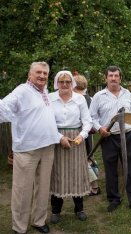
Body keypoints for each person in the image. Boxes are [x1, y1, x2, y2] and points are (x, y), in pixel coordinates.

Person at [0, 62, 68, 234]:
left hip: (47, 147)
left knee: (43, 187)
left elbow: (46, 118)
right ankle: (19, 227)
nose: (42, 76)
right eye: (38, 72)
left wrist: (58, 137)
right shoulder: (22, 91)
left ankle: (38, 221)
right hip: (27, 150)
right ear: (30, 74)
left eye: (45, 73)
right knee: (22, 191)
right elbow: (4, 107)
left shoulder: (44, 91)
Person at [89, 65, 131, 214]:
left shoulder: (127, 94)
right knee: (111, 170)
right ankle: (114, 199)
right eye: (111, 76)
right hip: (109, 137)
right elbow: (92, 117)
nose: (113, 78)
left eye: (116, 76)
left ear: (120, 78)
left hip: (128, 136)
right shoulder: (98, 96)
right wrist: (100, 128)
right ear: (106, 78)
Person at [49, 71, 93, 224]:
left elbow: (87, 121)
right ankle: (55, 211)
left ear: (72, 83)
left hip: (76, 139)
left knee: (76, 174)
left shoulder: (79, 99)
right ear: (56, 83)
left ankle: (79, 209)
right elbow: (47, 122)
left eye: (68, 81)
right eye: (61, 82)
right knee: (57, 174)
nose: (65, 84)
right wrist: (59, 137)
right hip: (56, 138)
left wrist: (82, 135)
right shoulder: (50, 98)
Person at [73, 74, 101, 196]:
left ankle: (94, 187)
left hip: (82, 133)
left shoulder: (79, 99)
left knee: (85, 160)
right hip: (87, 134)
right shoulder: (89, 98)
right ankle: (89, 185)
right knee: (89, 158)